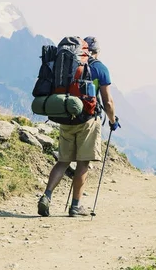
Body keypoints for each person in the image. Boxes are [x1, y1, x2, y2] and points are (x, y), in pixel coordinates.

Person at [37, 36, 120, 217]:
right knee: (83, 163)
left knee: (63, 161)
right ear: (96, 51)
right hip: (87, 121)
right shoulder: (100, 68)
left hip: (66, 117)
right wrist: (113, 121)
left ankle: (46, 196)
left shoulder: (69, 64)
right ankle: (75, 206)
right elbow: (108, 101)